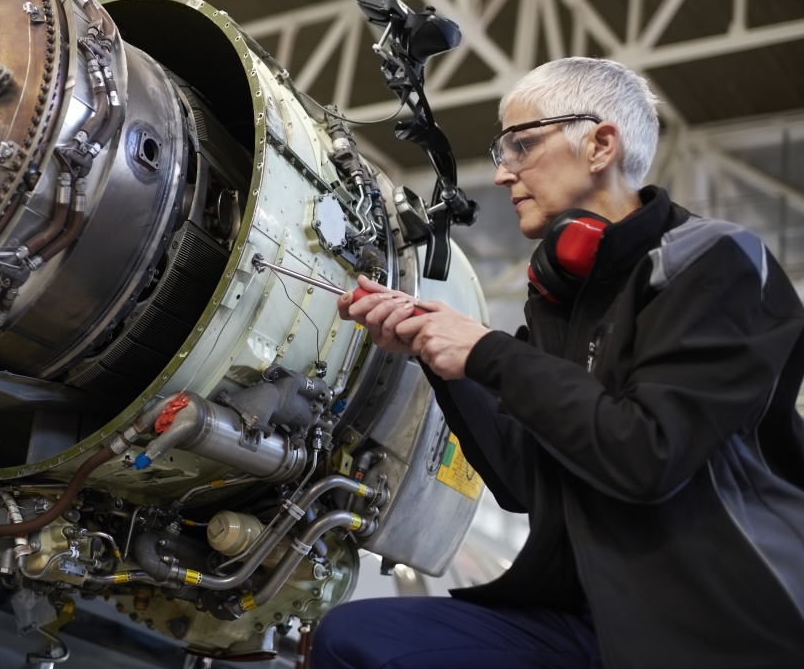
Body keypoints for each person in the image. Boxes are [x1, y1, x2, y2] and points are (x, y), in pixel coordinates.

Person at [311, 58, 804, 669]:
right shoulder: (561, 299)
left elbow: (647, 454)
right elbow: (521, 480)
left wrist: (488, 351)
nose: (500, 173)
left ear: (600, 144)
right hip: (589, 620)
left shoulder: (715, 262)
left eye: (520, 144)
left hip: (715, 632)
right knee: (355, 639)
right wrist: (436, 352)